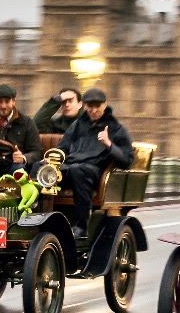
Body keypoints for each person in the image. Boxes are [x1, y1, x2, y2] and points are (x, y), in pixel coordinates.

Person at [49, 87, 133, 237]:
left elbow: (127, 160)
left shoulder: (115, 128)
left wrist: (108, 144)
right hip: (70, 169)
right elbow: (63, 147)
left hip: (93, 173)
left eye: (97, 106)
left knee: (78, 170)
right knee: (42, 169)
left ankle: (82, 226)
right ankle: (40, 220)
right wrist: (51, 160)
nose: (93, 110)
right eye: (90, 106)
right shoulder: (78, 125)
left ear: (105, 105)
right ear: (85, 106)